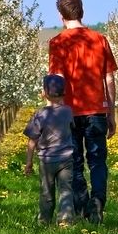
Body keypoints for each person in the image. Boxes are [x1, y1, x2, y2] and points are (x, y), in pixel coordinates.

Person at [48, 0, 118, 224]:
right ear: (82, 11)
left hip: (69, 113)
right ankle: (97, 203)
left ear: (61, 16)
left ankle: (84, 206)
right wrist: (111, 112)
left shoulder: (57, 43)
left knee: (75, 162)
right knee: (98, 161)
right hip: (97, 110)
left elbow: (56, 80)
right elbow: (108, 78)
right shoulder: (99, 39)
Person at [23, 73, 75, 226]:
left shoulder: (40, 115)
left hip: (46, 161)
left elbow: (32, 141)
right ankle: (65, 219)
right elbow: (71, 126)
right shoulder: (68, 112)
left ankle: (44, 220)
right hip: (66, 159)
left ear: (43, 93)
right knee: (66, 190)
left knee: (47, 192)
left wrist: (28, 163)